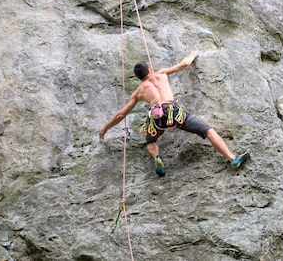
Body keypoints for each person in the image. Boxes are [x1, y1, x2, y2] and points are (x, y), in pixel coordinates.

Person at [99, 51, 250, 176]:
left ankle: (157, 157)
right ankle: (231, 158)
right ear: (149, 70)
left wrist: (105, 128)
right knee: (208, 131)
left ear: (138, 77)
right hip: (174, 113)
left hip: (158, 118)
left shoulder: (139, 91)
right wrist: (193, 54)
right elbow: (184, 64)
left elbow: (121, 115)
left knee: (150, 141)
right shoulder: (161, 73)